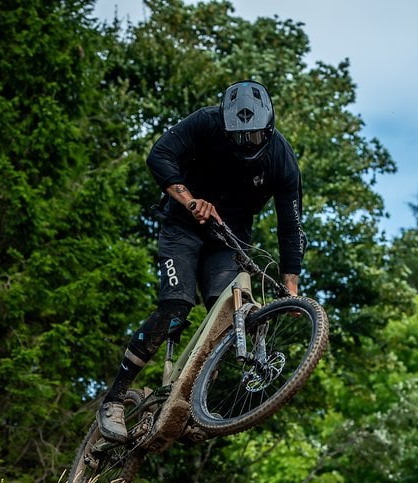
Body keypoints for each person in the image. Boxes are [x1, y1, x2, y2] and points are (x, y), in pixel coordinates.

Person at [97, 80, 306, 441]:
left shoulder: (281, 158)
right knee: (176, 306)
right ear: (224, 125)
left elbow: (291, 227)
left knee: (227, 315)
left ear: (269, 129)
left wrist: (290, 290)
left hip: (229, 238)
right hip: (184, 227)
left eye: (255, 137)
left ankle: (188, 402)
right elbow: (159, 156)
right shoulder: (205, 122)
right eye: (238, 137)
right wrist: (190, 200)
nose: (246, 144)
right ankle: (114, 400)